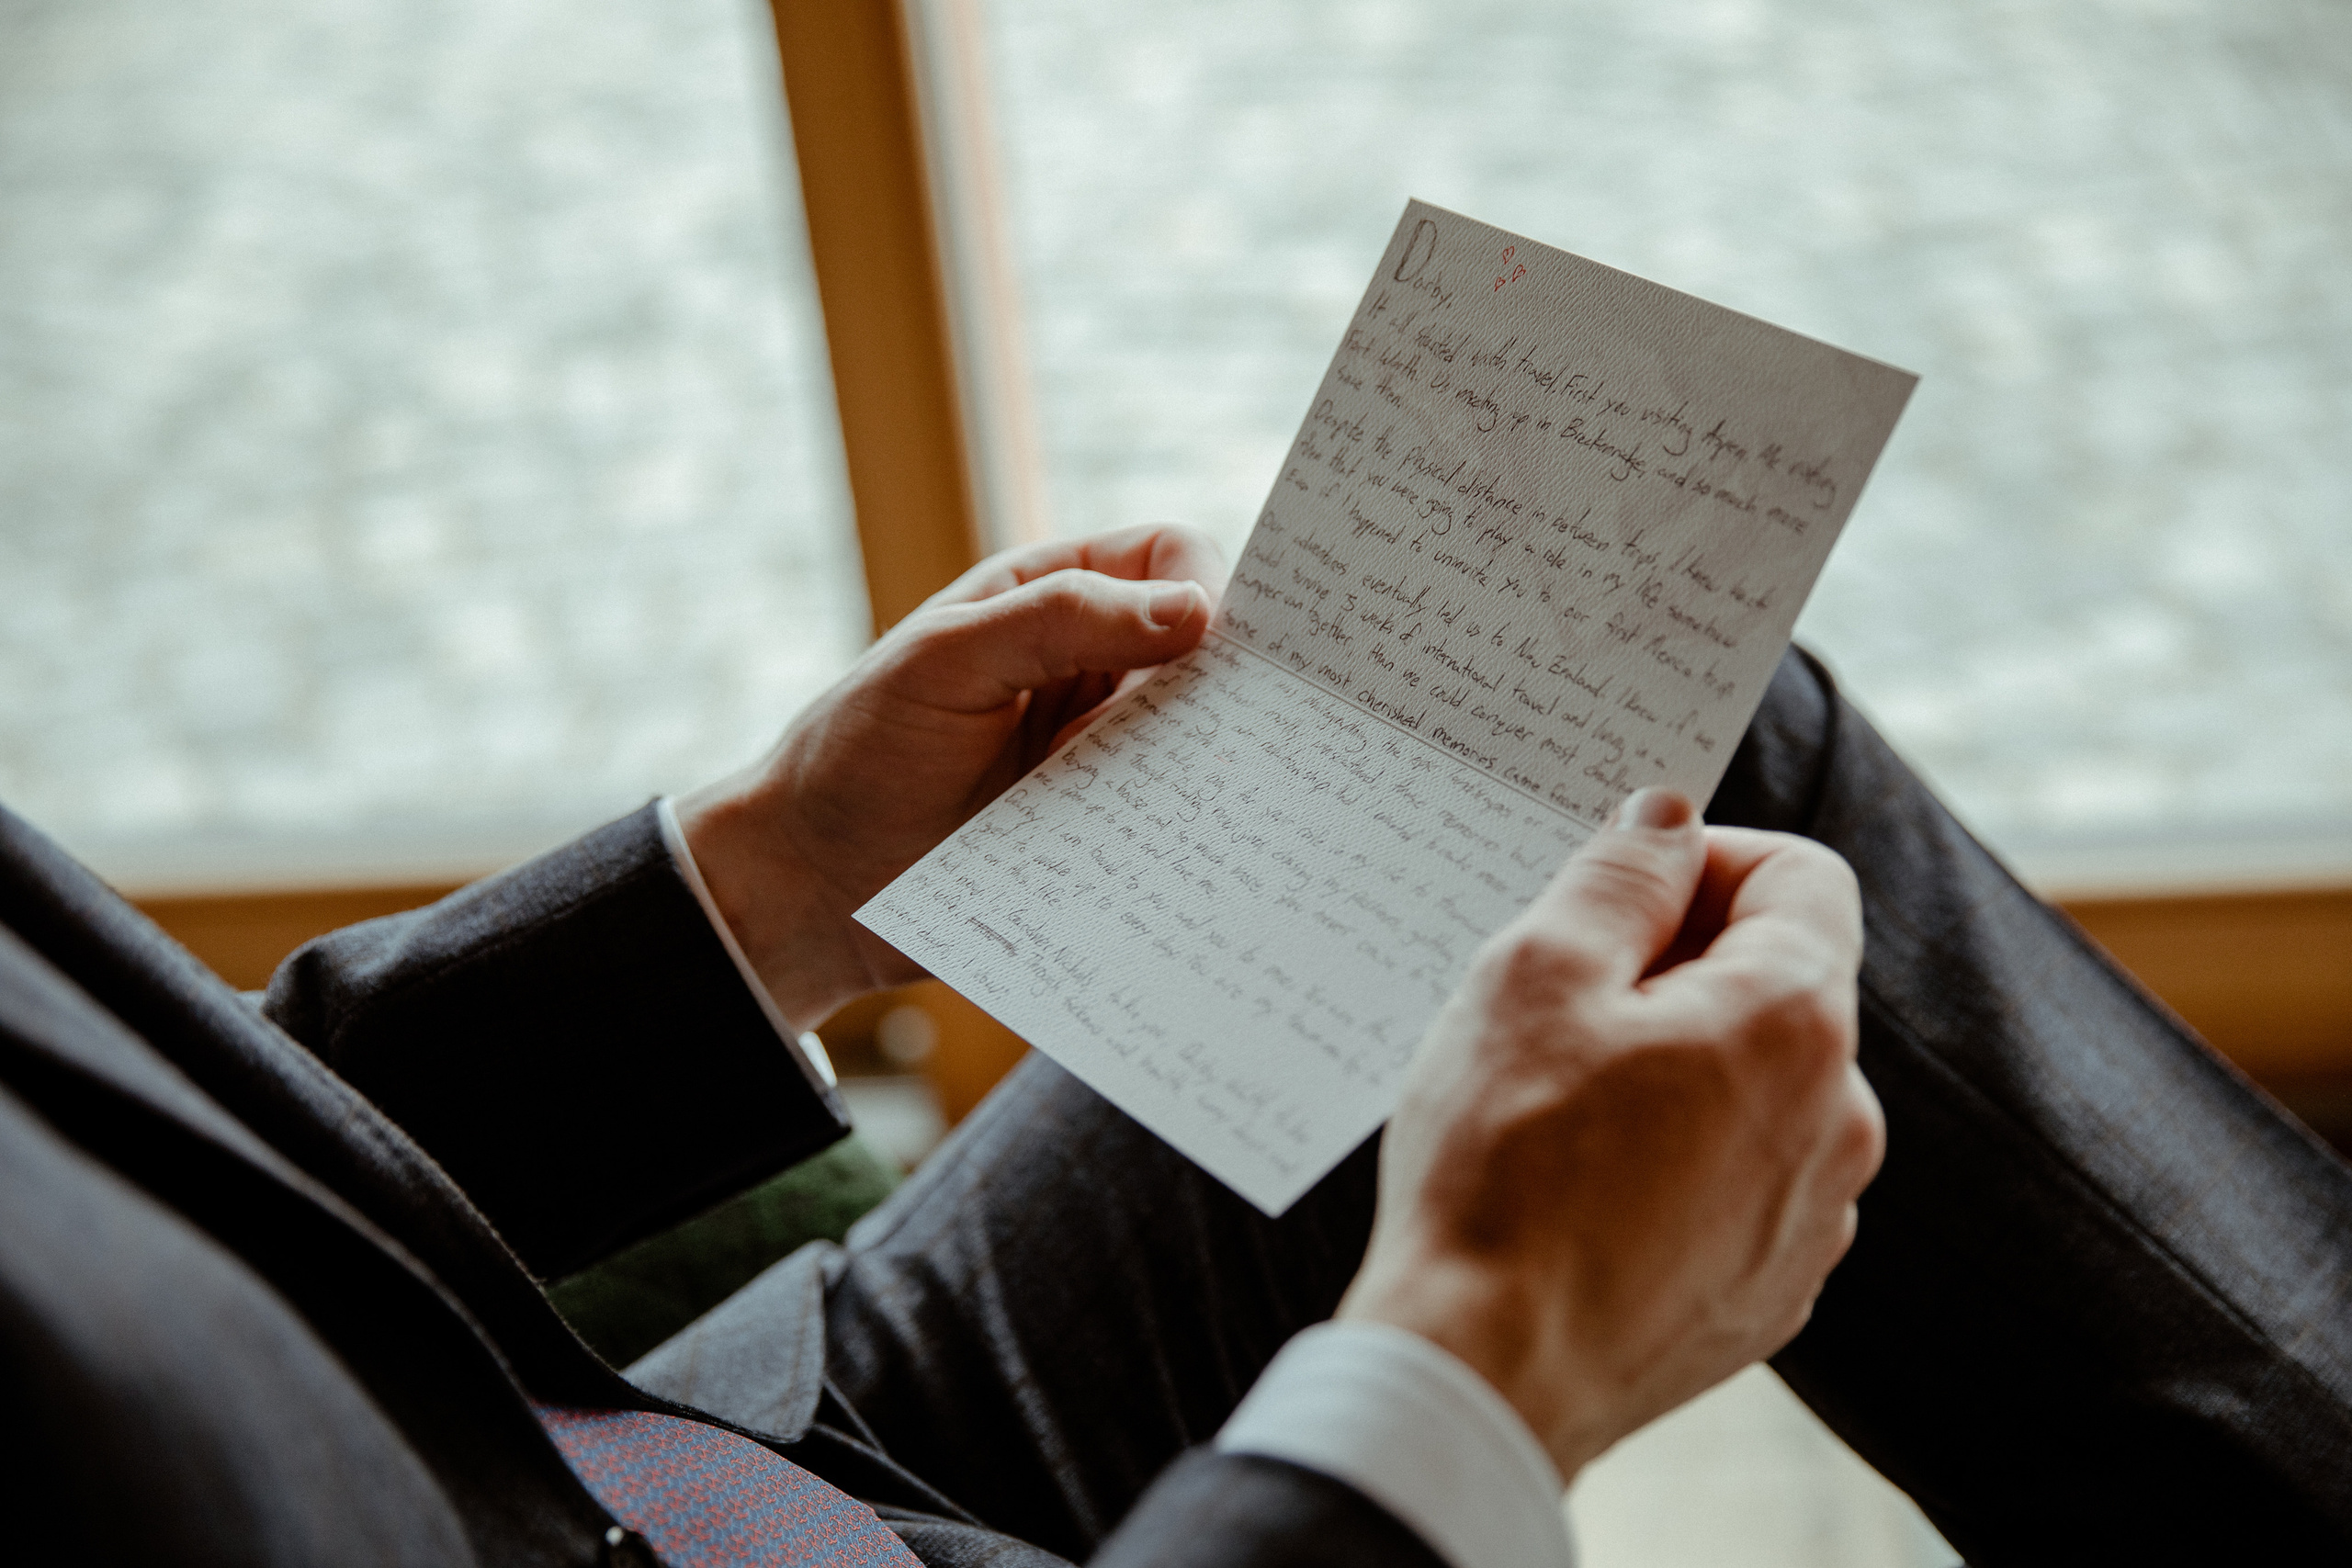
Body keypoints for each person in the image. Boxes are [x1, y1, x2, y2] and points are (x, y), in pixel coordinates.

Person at [3, 525, 2346, 1565]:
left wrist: (768, 870)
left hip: (683, 1471)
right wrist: (1480, 1365)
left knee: (1650, 737)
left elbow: (139, 1138)